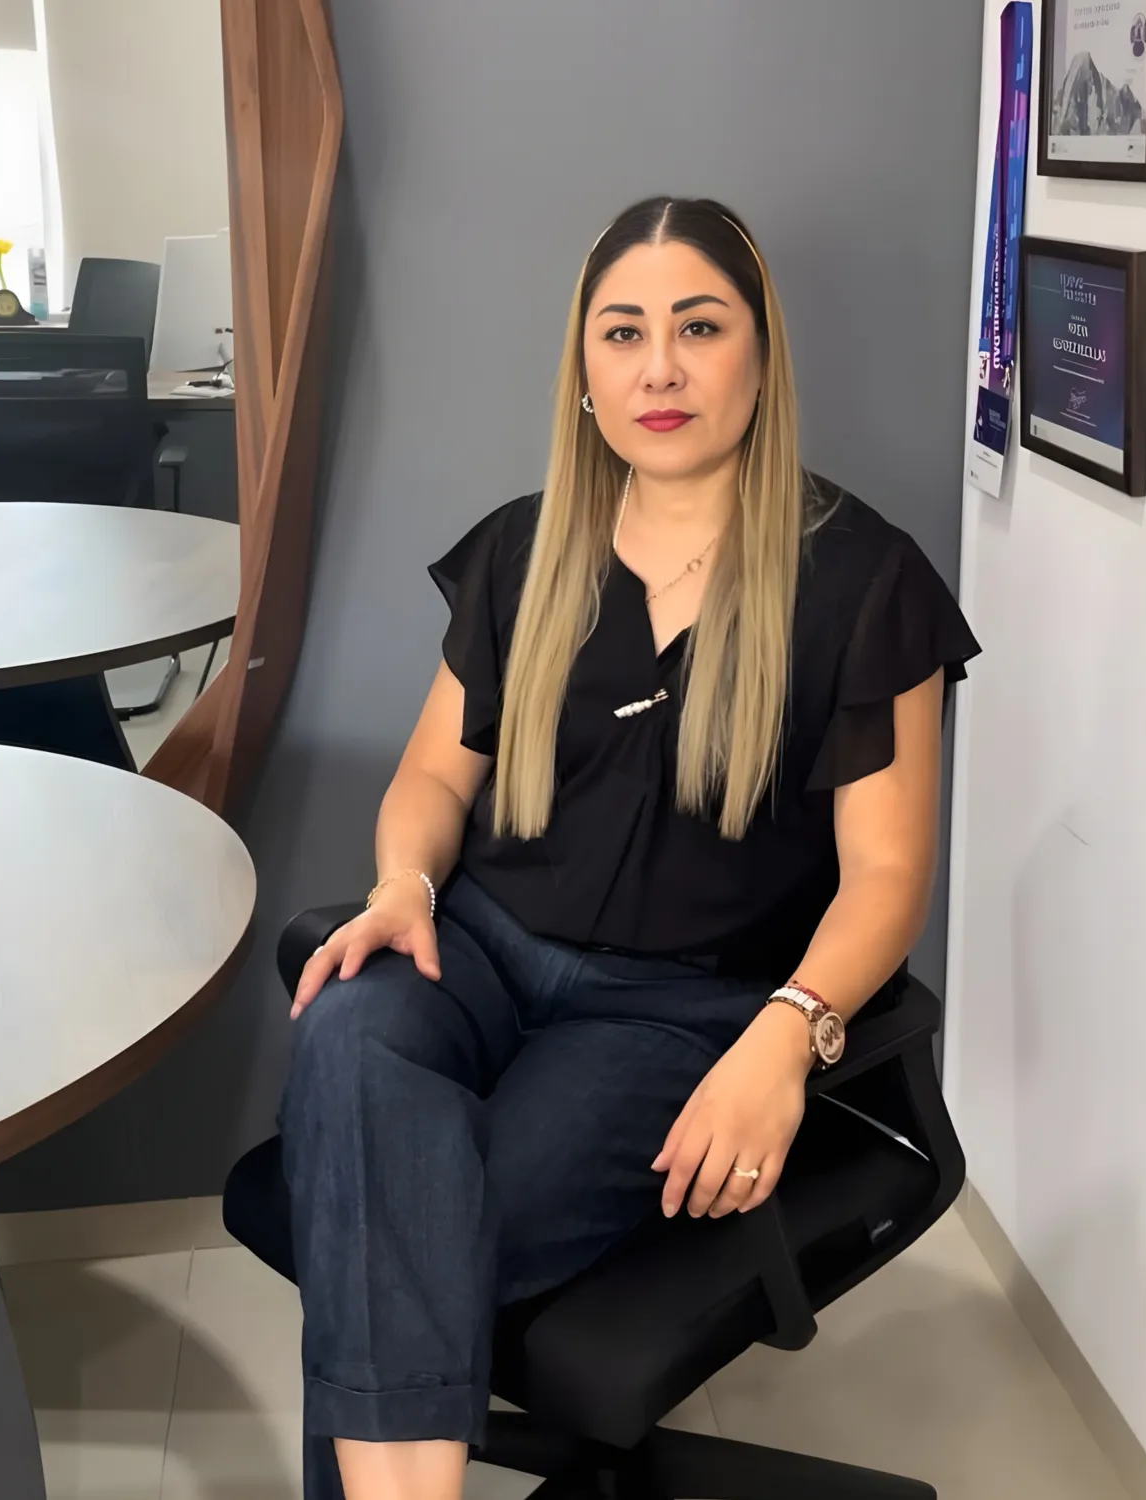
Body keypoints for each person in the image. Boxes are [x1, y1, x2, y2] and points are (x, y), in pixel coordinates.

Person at [280, 194, 980, 1500]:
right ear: (585, 371)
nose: (660, 368)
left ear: (759, 355)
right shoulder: (523, 550)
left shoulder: (864, 581)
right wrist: (402, 884)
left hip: (675, 1012)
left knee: (395, 1215)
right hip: (478, 947)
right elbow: (433, 773)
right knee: (349, 1032)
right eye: (624, 333)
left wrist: (786, 1036)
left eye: (699, 328)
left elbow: (888, 877)